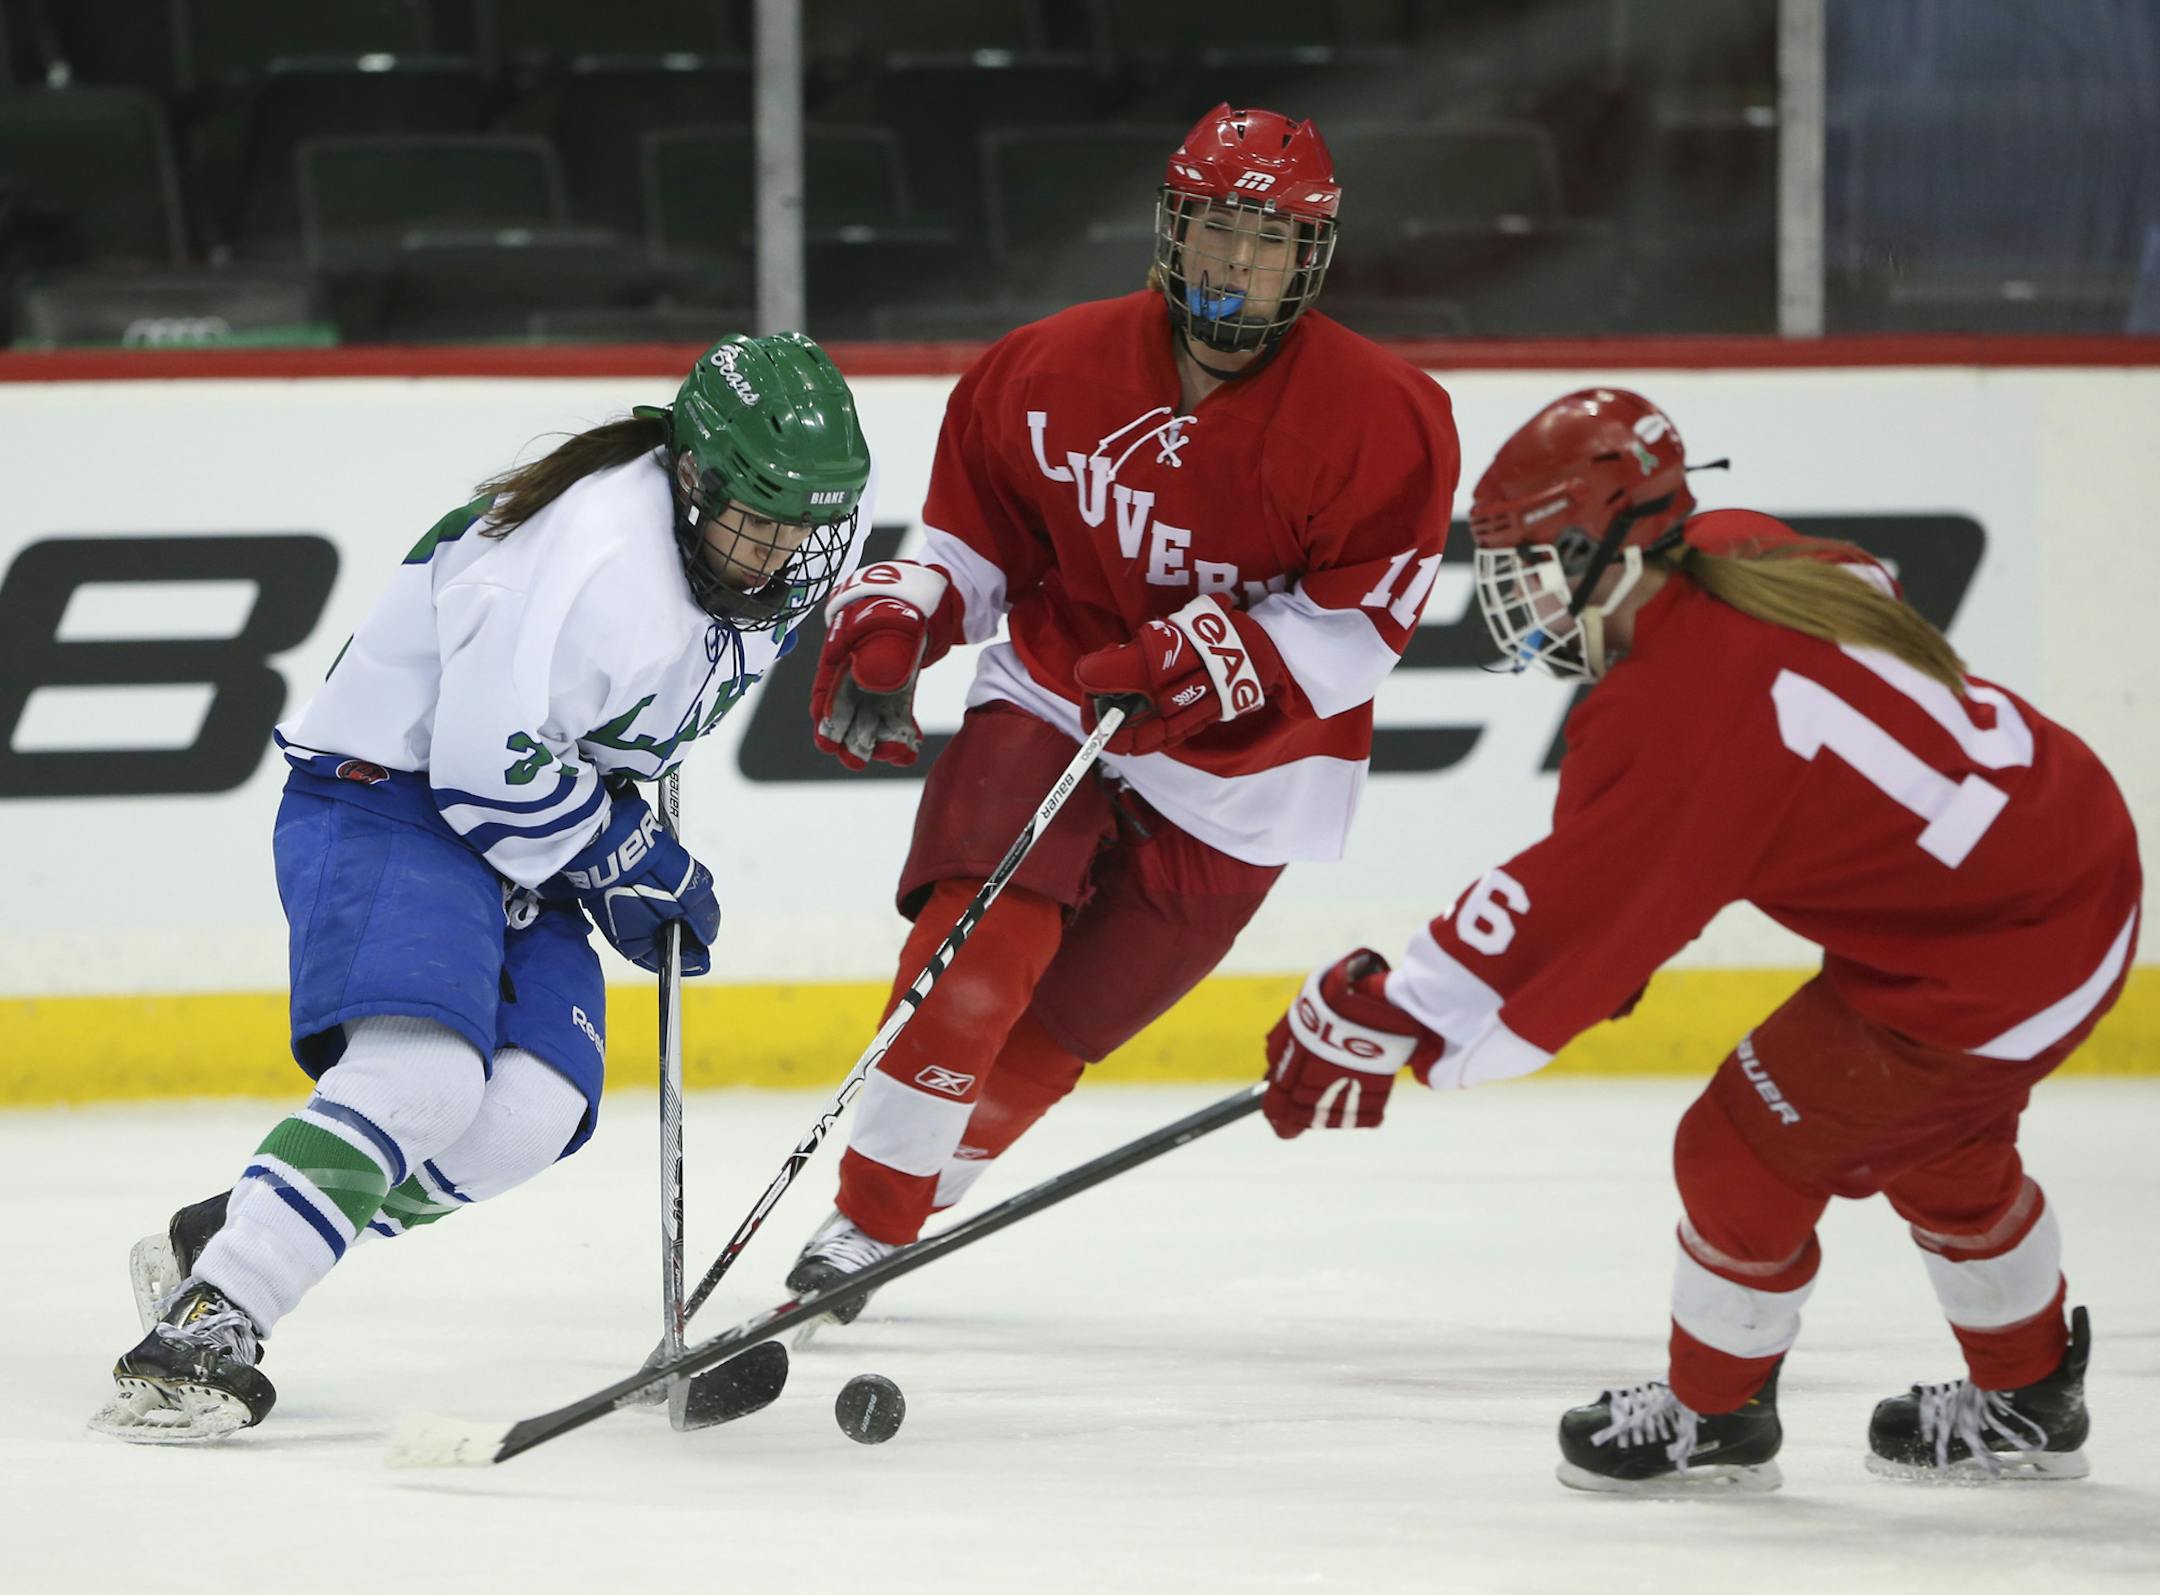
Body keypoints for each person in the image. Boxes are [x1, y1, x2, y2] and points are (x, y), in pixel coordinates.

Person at [1260, 387, 2140, 1491]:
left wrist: (1395, 1009)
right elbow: (1657, 860)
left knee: (1739, 1143)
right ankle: (2030, 1391)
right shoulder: (1737, 549)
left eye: (1532, 559)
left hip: (1997, 950)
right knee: (1935, 1138)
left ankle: (1715, 1417)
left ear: (1611, 548)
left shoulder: (1683, 706)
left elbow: (1574, 908)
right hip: (2057, 862)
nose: (1514, 594)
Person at [93, 333, 873, 1442]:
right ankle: (207, 1320)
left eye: (808, 524)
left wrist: (620, 829)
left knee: (532, 1113)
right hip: (391, 791)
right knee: (425, 1073)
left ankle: (239, 1229)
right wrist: (617, 851)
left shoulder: (771, 527)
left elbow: (641, 706)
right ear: (692, 477)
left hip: (525, 815)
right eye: (761, 520)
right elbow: (473, 770)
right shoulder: (585, 559)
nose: (786, 548)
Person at [790, 103, 1460, 1315]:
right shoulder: (1047, 366)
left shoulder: (1383, 416)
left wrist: (1212, 660)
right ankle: (870, 1219)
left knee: (1053, 1038)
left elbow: (1364, 626)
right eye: (1216, 229)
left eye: (1269, 241)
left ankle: (893, 1207)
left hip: (1250, 777)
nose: (1237, 264)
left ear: (1310, 255)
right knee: (975, 963)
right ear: (1174, 228)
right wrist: (903, 619)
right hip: (1059, 688)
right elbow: (970, 541)